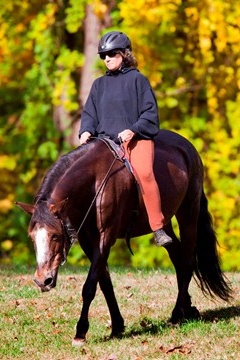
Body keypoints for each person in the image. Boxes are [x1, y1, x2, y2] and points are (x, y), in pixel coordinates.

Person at [79, 31, 172, 247]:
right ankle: (77, 226)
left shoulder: (138, 80)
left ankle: (158, 228)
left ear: (124, 54)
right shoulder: (98, 85)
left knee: (146, 174)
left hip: (135, 140)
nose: (107, 58)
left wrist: (133, 130)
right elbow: (90, 114)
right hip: (104, 143)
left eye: (111, 53)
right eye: (103, 55)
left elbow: (150, 113)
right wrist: (85, 130)